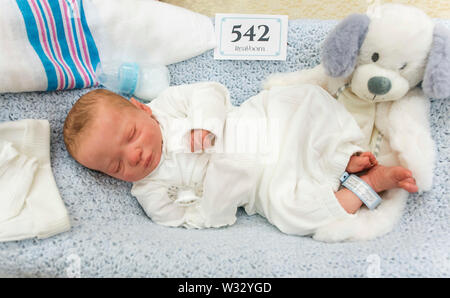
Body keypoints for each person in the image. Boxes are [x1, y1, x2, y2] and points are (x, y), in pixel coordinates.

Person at [63, 82, 418, 236]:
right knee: (294, 215)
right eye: (116, 166)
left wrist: (205, 124)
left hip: (263, 124)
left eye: (131, 136)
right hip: (262, 184)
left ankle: (342, 156)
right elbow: (194, 219)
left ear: (141, 109)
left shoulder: (168, 105)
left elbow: (211, 92)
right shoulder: (150, 193)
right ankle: (367, 182)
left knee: (301, 101)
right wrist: (218, 190)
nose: (135, 156)